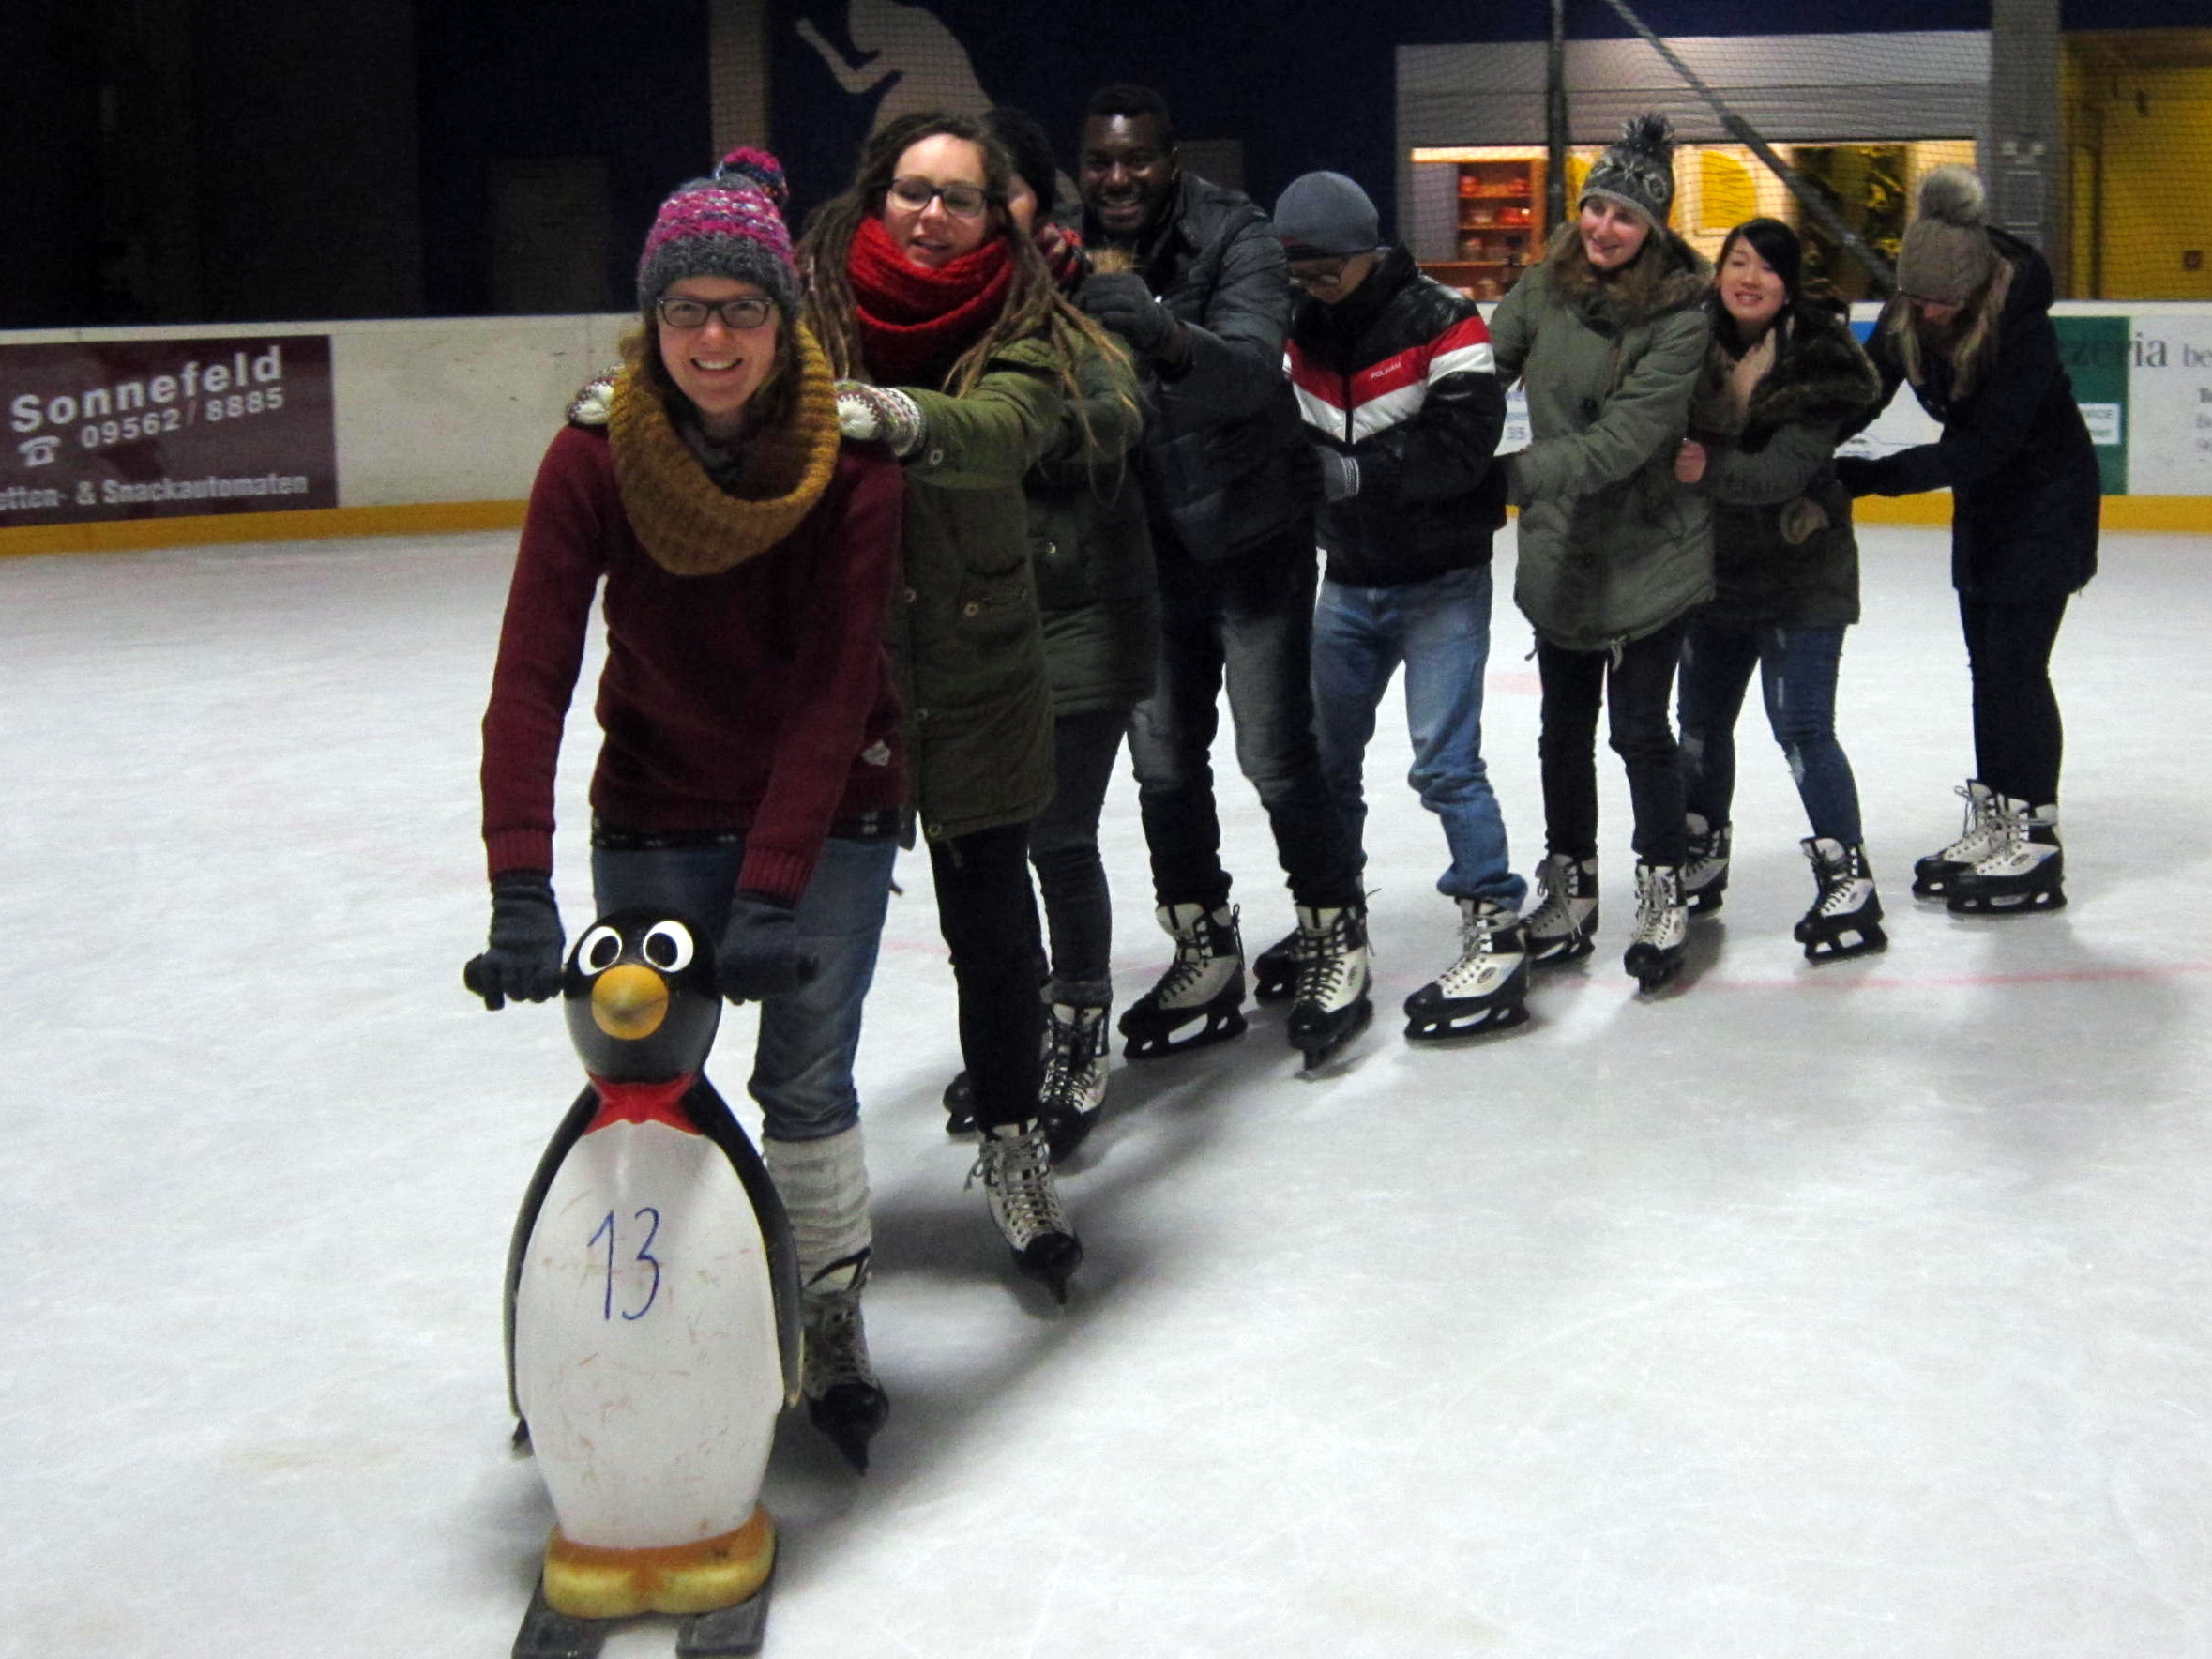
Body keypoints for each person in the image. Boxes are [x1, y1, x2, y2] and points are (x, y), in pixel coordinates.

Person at [465, 151, 905, 1472]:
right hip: (655, 810)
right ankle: (633, 1323)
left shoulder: (855, 466)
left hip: (828, 813)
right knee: (648, 1084)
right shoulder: (596, 457)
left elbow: (837, 687)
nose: (713, 340)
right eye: (686, 311)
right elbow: (530, 675)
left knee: (804, 1081)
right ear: (651, 325)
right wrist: (519, 883)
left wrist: (776, 883)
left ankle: (824, 1314)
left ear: (786, 323)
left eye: (742, 310)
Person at [800, 110, 1130, 1297]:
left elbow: (1006, 430)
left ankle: (1012, 1145)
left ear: (1002, 217)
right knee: (817, 946)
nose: (932, 213)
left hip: (984, 655)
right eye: (912, 190)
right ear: (875, 196)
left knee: (994, 932)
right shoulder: (809, 301)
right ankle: (809, 1180)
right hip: (838, 666)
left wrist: (895, 416)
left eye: (960, 196)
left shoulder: (1023, 320)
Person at [1076, 83, 1371, 1071]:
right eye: (1101, 162)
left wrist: (1163, 334)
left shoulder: (1233, 233)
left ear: (1169, 160)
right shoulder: (1067, 244)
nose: (1118, 179)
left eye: (1136, 160)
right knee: (1161, 764)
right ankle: (1203, 942)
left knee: (1276, 752)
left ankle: (1336, 932)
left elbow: (1250, 368)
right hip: (1142, 554)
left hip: (1252, 536)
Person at [936, 107, 1154, 1159]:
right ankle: (1012, 1038)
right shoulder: (937, 310)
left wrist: (991, 433)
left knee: (1057, 837)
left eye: (1003, 189)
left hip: (1080, 613)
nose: (984, 210)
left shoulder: (1087, 298)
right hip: (975, 623)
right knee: (980, 850)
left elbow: (1114, 419)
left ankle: (1077, 1029)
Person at [1272, 169, 1526, 1039]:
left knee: (1445, 762)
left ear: (1365, 252)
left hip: (1441, 582)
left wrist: (1353, 473)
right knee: (1323, 763)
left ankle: (1494, 921)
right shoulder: (1299, 326)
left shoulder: (1440, 317)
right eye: (1296, 277)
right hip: (1346, 581)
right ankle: (1333, 915)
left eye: (1323, 274)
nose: (1310, 290)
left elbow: (1463, 444)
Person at [1488, 114, 1713, 994]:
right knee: (1562, 732)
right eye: (1593, 207)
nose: (1602, 227)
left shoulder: (1679, 317)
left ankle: (1662, 889)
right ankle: (1571, 887)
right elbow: (1485, 363)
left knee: (1640, 732)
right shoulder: (1545, 284)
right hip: (1564, 553)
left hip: (1650, 549)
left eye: (1624, 216)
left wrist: (1504, 479)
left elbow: (1620, 444)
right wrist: (1439, 419)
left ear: (1652, 228)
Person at [1836, 164, 2098, 915]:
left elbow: (1983, 447)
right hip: (1988, 508)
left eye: (1945, 301)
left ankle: (2035, 837)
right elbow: (1862, 390)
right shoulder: (1911, 310)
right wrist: (1802, 445)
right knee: (1986, 665)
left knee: (2016, 665)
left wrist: (1870, 478)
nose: (1931, 313)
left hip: (2048, 502)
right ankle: (1997, 815)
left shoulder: (2021, 329)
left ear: (1976, 287)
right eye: (1919, 299)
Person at [1671, 217, 1886, 961]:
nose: (1748, 278)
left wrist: (1704, 470)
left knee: (1801, 728)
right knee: (1697, 725)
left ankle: (1847, 876)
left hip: (1803, 575)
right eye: (1736, 261)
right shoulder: (1688, 345)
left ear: (1789, 285)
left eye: (1766, 267)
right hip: (1717, 575)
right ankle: (1702, 849)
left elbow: (1778, 474)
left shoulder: (1818, 361)